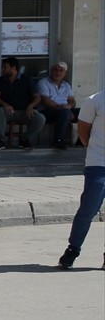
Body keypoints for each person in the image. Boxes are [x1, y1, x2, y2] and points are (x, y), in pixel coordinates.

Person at [58, 90, 103, 269]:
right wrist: (93, 149)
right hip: (99, 164)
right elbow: (83, 131)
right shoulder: (94, 101)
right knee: (88, 210)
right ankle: (73, 249)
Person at [0, 56, 45, 150]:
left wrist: (30, 106)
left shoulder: (26, 79)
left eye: (5, 67)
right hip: (8, 112)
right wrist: (4, 104)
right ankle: (0, 140)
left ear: (13, 68)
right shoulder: (0, 80)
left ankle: (24, 139)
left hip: (24, 111)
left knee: (40, 118)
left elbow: (37, 97)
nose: (3, 70)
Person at [37, 62, 77, 150]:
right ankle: (58, 141)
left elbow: (72, 101)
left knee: (86, 112)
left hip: (64, 109)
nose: (58, 73)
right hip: (46, 111)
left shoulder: (66, 85)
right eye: (55, 70)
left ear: (65, 73)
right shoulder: (43, 83)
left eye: (61, 70)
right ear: (51, 71)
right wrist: (65, 110)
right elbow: (46, 101)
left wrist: (69, 107)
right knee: (64, 113)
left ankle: (82, 141)